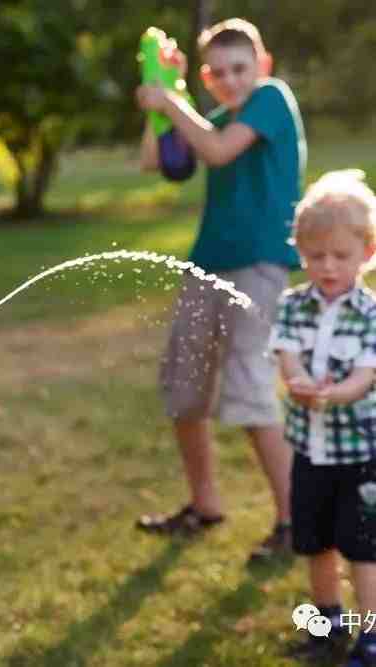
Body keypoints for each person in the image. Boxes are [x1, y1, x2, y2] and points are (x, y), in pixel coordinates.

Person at [134, 18, 307, 561]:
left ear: (263, 66)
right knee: (185, 389)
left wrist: (172, 100)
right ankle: (204, 504)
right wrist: (163, 99)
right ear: (208, 78)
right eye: (221, 73)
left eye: (242, 69)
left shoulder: (272, 101)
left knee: (251, 392)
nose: (233, 80)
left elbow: (217, 151)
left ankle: (294, 523)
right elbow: (153, 161)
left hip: (259, 268)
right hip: (207, 266)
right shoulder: (208, 113)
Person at [270, 170, 376, 667]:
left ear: (367, 253)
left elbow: (364, 377)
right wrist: (297, 382)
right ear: (301, 252)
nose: (327, 266)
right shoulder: (293, 305)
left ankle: (370, 634)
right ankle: (327, 621)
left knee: (362, 550)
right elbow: (287, 357)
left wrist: (334, 394)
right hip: (309, 450)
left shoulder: (370, 314)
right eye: (315, 257)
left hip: (359, 455)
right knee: (314, 540)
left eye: (340, 256)